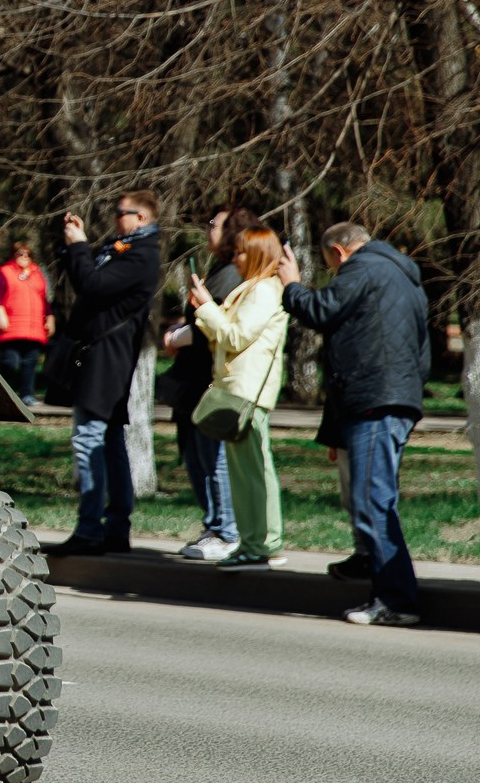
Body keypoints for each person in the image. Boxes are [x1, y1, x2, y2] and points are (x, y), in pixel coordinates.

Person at [277, 221, 429, 626]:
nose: (334, 274)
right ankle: (374, 570)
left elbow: (321, 310)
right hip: (392, 399)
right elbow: (417, 349)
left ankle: (396, 601)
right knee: (375, 497)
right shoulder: (403, 276)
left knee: (371, 500)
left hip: (374, 401)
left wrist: (291, 285)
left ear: (340, 253)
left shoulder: (362, 268)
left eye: (331, 266)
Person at [49, 189, 164, 555]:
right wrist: (73, 245)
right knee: (110, 439)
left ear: (141, 218)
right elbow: (88, 279)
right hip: (103, 355)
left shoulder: (143, 255)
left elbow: (92, 285)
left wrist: (81, 246)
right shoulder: (123, 248)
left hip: (107, 358)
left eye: (121, 214)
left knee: (89, 439)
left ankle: (90, 530)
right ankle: (115, 528)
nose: (115, 219)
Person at [188, 224, 290, 570]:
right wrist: (207, 313)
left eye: (242, 252)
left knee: (252, 474)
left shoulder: (263, 290)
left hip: (247, 391)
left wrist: (206, 307)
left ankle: (257, 544)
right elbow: (227, 337)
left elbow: (234, 336)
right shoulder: (255, 288)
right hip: (241, 390)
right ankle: (260, 541)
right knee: (251, 471)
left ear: (259, 253)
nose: (236, 258)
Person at [161, 206, 256, 562]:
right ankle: (213, 526)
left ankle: (226, 530)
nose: (207, 230)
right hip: (195, 381)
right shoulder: (221, 270)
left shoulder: (232, 274)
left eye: (213, 225)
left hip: (210, 380)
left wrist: (178, 337)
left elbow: (214, 327)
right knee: (197, 458)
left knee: (212, 459)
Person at [0, 240, 53, 408]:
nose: (24, 257)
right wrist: (0, 313)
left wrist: (50, 317)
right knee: (10, 362)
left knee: (30, 363)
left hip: (34, 328)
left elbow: (44, 299)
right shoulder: (5, 272)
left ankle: (27, 395)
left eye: (28, 254)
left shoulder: (37, 273)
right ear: (13, 255)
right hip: (12, 326)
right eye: (20, 253)